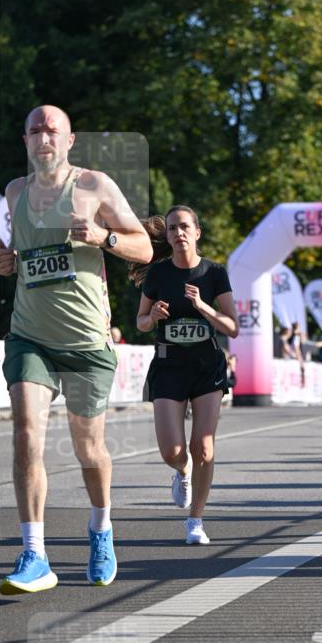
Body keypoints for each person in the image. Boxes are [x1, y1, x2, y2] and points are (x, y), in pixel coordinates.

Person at [0, 105, 152, 594]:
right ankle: (34, 554)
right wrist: (6, 262)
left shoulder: (95, 186)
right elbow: (21, 259)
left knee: (89, 449)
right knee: (26, 433)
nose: (44, 137)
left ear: (69, 141)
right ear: (25, 141)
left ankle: (102, 528)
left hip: (86, 340)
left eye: (52, 130)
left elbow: (145, 247)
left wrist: (105, 237)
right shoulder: (15, 192)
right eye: (35, 130)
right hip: (29, 335)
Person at [133, 206, 238, 544]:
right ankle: (182, 471)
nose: (178, 233)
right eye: (173, 228)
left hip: (207, 366)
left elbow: (233, 328)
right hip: (168, 365)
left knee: (204, 447)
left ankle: (196, 520)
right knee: (172, 451)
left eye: (185, 227)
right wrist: (155, 316)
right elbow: (141, 322)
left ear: (197, 232)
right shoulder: (159, 275)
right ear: (167, 236)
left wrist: (204, 308)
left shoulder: (214, 273)